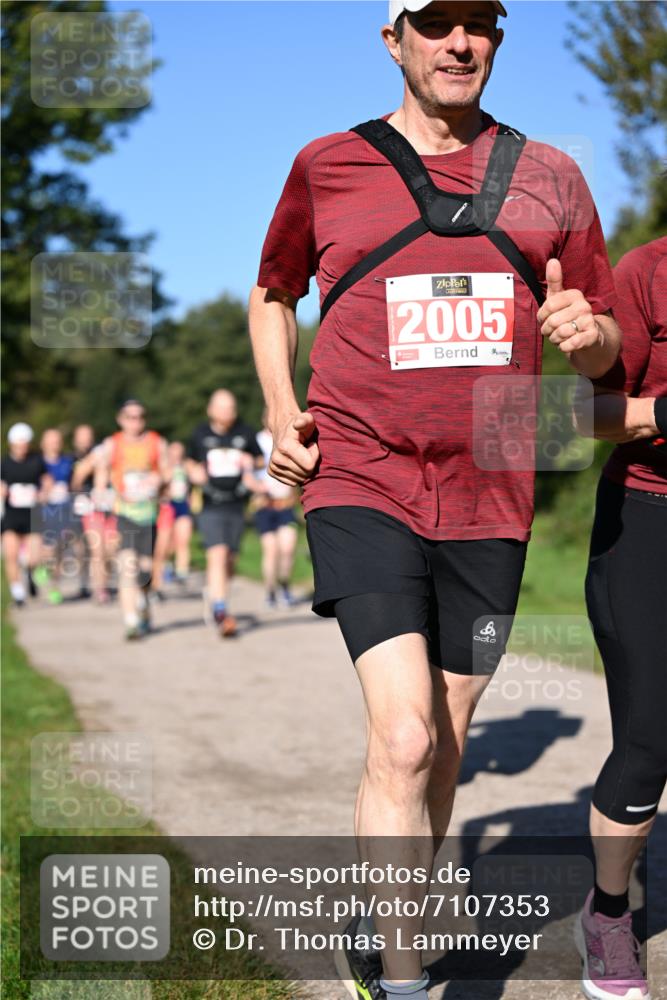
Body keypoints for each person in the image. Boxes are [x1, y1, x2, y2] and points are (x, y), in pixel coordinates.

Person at [248, 2, 622, 997]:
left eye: (479, 23)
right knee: (404, 734)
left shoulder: (551, 175)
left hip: (493, 485)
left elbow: (601, 340)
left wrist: (588, 342)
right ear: (392, 39)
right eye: (434, 20)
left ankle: (381, 929)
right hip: (360, 472)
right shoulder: (327, 164)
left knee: (444, 742)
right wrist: (284, 410)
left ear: (496, 41)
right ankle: (403, 973)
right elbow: (273, 292)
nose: (459, 41)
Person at [573, 236, 666, 1000]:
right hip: (647, 518)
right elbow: (590, 413)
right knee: (648, 737)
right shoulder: (645, 273)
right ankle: (606, 914)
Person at [186, 389, 266, 637]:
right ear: (210, 409)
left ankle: (214, 594)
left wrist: (250, 463)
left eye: (231, 408)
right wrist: (193, 472)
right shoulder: (200, 434)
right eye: (221, 408)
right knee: (217, 554)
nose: (227, 413)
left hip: (237, 504)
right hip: (211, 504)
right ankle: (221, 612)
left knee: (229, 560)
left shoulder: (245, 433)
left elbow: (261, 460)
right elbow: (189, 462)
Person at [95, 400, 168, 640]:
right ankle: (131, 622)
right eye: (130, 417)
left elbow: (167, 471)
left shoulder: (157, 442)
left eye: (139, 417)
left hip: (149, 514)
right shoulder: (112, 444)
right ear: (121, 419)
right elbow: (102, 470)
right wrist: (101, 490)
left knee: (145, 571)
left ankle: (144, 600)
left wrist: (157, 480)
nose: (135, 422)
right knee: (127, 566)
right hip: (124, 513)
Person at [1, 423, 50, 606]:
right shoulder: (4, 463)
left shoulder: (37, 461)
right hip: (12, 515)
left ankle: (30, 572)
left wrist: (44, 492)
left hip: (32, 514)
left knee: (35, 557)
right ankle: (17, 593)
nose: (21, 447)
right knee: (11, 555)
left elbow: (47, 481)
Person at [254, 412, 299, 608]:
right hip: (265, 504)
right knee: (271, 550)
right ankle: (270, 590)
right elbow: (247, 469)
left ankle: (285, 586)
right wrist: (256, 488)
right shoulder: (256, 441)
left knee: (287, 548)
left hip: (285, 503)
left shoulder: (289, 438)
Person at [71, 426, 118, 605]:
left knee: (111, 550)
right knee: (97, 550)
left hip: (112, 507)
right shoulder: (87, 457)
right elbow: (76, 480)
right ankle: (101, 589)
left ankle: (105, 581)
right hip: (92, 509)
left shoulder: (113, 455)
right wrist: (92, 464)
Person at [35, 428, 76, 604]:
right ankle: (40, 568)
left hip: (64, 509)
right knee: (48, 549)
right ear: (43, 443)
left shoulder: (67, 461)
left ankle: (54, 588)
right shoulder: (36, 463)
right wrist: (42, 492)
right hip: (44, 510)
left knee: (60, 552)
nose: (54, 443)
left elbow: (74, 483)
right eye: (50, 440)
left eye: (57, 440)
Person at [152, 441, 193, 594]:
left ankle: (182, 573)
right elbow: (156, 487)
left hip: (182, 505)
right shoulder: (163, 468)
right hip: (166, 507)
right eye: (174, 453)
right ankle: (157, 583)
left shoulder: (186, 466)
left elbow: (195, 478)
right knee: (163, 546)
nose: (177, 456)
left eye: (179, 453)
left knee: (183, 540)